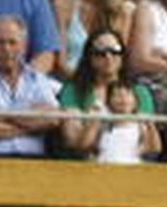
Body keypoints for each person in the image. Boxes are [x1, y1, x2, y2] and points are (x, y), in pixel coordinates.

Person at [0, 14, 59, 157]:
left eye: (12, 42)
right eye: (0, 42)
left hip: (32, 163)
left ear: (24, 46)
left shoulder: (38, 80)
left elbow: (52, 119)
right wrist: (28, 125)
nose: (6, 49)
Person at [58, 27, 154, 156]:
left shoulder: (140, 92)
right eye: (100, 52)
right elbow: (72, 140)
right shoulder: (73, 90)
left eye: (115, 51)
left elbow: (149, 141)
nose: (108, 57)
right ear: (89, 57)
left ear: (122, 55)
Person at [93, 79, 161, 163]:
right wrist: (96, 113)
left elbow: (155, 147)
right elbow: (87, 144)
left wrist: (150, 124)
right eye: (117, 95)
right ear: (108, 102)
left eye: (128, 94)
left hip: (131, 170)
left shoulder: (139, 125)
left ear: (135, 102)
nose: (123, 98)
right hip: (105, 167)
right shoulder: (103, 123)